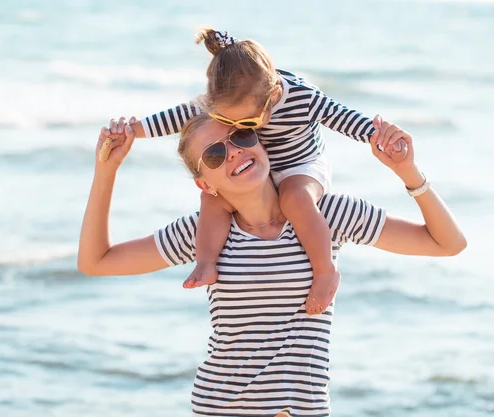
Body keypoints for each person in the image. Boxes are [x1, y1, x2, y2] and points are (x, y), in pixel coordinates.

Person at [78, 114, 465, 417]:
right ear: (206, 186)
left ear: (258, 140)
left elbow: (448, 243)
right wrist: (106, 171)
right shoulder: (202, 234)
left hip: (303, 408)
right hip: (220, 405)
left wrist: (408, 173)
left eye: (240, 138)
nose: (233, 152)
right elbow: (95, 262)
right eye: (214, 155)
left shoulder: (326, 213)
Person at [110, 28, 408, 315]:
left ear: (275, 92)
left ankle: (325, 270)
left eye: (249, 123)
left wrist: (376, 134)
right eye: (233, 124)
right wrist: (133, 131)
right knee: (212, 200)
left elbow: (342, 116)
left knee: (294, 199)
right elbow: (179, 116)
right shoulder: (223, 99)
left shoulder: (302, 97)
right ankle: (206, 261)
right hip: (260, 165)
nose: (246, 128)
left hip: (301, 165)